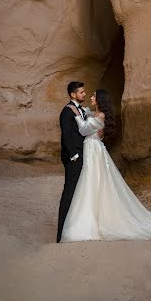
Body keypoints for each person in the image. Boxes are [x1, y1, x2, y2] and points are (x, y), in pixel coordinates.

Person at [60, 89, 151, 242]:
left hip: (94, 150)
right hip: (91, 149)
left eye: (94, 96)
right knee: (91, 182)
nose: (91, 97)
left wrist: (77, 116)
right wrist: (84, 113)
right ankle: (92, 216)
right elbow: (89, 120)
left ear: (100, 100)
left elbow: (84, 129)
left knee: (95, 181)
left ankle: (97, 220)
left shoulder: (100, 115)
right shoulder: (95, 114)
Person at [56, 81, 103, 242]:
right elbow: (66, 136)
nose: (84, 94)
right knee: (69, 192)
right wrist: (73, 156)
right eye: (81, 92)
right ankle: (61, 232)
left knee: (79, 192)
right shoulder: (67, 112)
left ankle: (73, 226)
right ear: (73, 94)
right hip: (73, 158)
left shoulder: (81, 110)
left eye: (84, 92)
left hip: (83, 155)